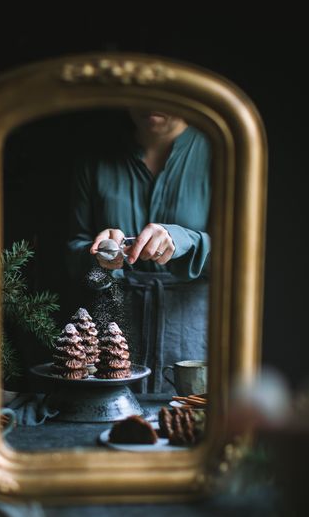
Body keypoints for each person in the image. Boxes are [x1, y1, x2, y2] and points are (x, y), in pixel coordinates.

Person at [66, 109, 211, 394]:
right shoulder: (95, 159)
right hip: (110, 328)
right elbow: (71, 254)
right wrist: (97, 253)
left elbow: (244, 254)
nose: (151, 103)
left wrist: (184, 240)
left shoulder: (220, 154)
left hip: (193, 333)